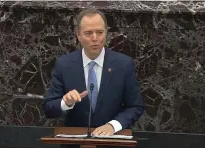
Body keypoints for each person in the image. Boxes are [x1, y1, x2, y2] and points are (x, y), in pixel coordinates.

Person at [42, 8, 144, 136]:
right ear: (78, 35)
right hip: (75, 142)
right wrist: (65, 103)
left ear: (106, 33)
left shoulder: (123, 65)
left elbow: (135, 107)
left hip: (111, 142)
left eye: (100, 32)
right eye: (88, 33)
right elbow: (48, 108)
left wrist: (113, 126)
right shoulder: (64, 65)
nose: (95, 38)